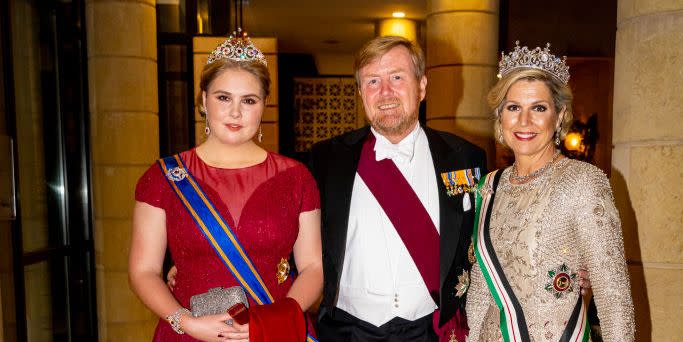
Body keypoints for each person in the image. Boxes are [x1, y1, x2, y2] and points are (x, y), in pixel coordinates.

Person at [128, 31, 323, 341]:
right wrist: (186, 321)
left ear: (263, 106)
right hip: (190, 333)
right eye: (223, 97)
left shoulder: (297, 177)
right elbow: (144, 271)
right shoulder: (164, 178)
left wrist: (276, 318)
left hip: (274, 331)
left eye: (249, 100)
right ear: (203, 100)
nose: (235, 112)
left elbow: (313, 266)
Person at [310, 36, 487, 342]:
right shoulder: (325, 160)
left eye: (396, 77)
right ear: (361, 92)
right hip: (347, 331)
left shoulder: (465, 157)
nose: (385, 92)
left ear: (422, 86)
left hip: (432, 331)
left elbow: (489, 242)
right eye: (373, 81)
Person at [466, 42, 634, 341]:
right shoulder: (488, 187)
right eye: (513, 107)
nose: (524, 121)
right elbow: (480, 290)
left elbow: (613, 297)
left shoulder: (582, 181)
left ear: (558, 117)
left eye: (539, 108)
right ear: (500, 117)